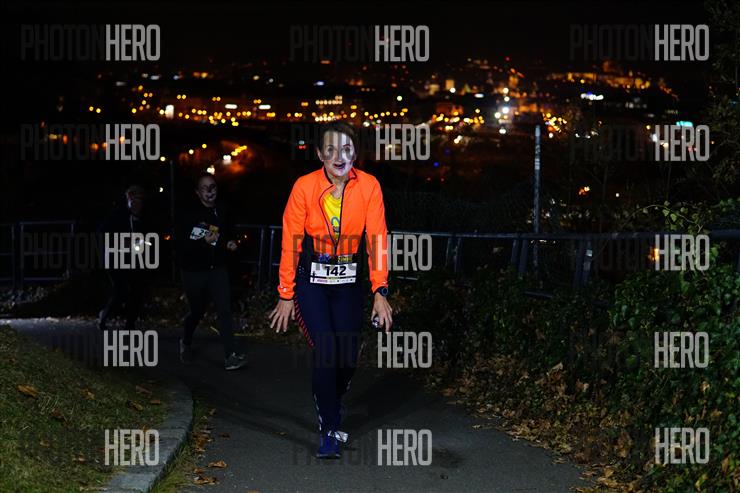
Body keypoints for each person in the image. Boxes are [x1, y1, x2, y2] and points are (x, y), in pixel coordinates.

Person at [269, 121, 393, 459]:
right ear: (320, 154)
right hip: (312, 281)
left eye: (347, 149)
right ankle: (328, 430)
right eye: (332, 149)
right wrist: (285, 292)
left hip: (348, 281)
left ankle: (332, 400)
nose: (340, 156)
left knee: (347, 357)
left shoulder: (369, 186)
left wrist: (380, 290)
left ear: (355, 153)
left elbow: (377, 239)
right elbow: (291, 242)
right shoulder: (304, 187)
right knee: (326, 349)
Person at [176, 173, 247, 371]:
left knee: (224, 310)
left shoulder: (222, 210)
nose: (210, 191)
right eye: (205, 188)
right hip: (194, 271)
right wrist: (202, 243)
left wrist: (230, 242)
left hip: (217, 269)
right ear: (197, 192)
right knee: (197, 311)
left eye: (213, 187)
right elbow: (183, 244)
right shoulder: (189, 214)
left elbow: (225, 233)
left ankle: (230, 356)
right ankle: (185, 342)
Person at [97, 185, 150, 331]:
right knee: (120, 290)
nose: (138, 204)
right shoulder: (118, 214)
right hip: (115, 257)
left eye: (140, 200)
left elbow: (146, 235)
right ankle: (104, 316)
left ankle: (130, 323)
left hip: (134, 257)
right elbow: (103, 231)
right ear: (129, 199)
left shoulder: (143, 216)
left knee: (137, 290)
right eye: (135, 200)